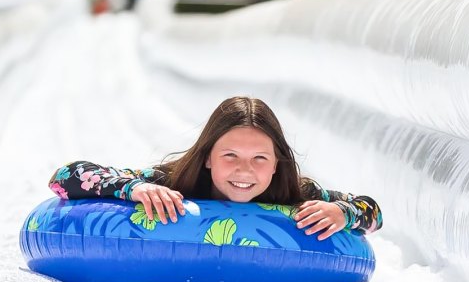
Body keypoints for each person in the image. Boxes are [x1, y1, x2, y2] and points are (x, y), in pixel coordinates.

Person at [48, 97, 382, 240]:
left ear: (277, 162)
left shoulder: (298, 193)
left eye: (259, 158)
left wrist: (343, 212)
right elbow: (65, 177)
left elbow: (372, 211)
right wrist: (134, 188)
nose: (244, 171)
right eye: (230, 156)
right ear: (208, 157)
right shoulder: (173, 183)